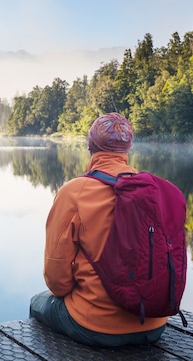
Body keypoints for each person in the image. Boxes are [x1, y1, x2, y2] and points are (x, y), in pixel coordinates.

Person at [29, 112, 167, 347]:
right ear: (127, 150)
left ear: (90, 147)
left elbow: (56, 281)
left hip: (96, 326)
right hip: (155, 323)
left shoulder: (75, 192)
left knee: (38, 302)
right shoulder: (154, 189)